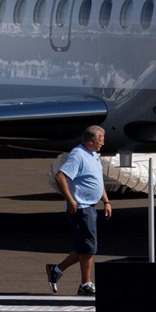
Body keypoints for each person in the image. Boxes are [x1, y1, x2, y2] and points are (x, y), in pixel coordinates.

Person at [46, 126, 113, 296]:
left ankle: (57, 270)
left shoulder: (94, 156)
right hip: (81, 207)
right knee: (88, 248)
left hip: (91, 206)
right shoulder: (78, 155)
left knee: (84, 247)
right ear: (91, 141)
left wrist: (106, 201)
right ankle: (85, 283)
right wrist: (70, 199)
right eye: (101, 140)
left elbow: (97, 180)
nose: (103, 143)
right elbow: (60, 177)